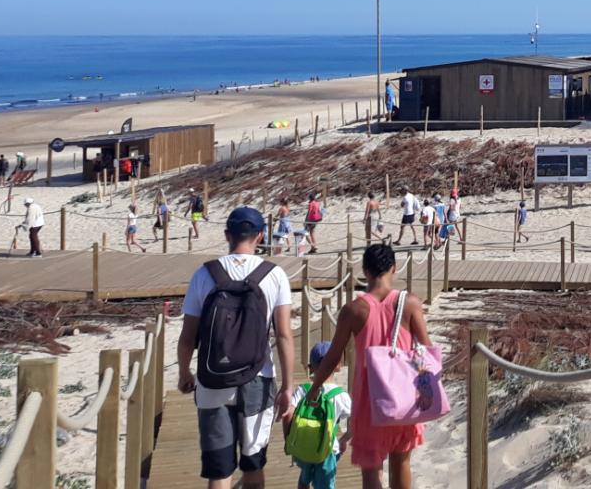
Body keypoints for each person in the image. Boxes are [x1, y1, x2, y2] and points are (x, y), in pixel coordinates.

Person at [177, 207, 296, 489]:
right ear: (260, 235)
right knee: (253, 464)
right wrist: (288, 387)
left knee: (219, 470)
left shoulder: (204, 274)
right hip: (258, 376)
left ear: (227, 235)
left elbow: (187, 336)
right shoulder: (274, 274)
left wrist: (184, 372)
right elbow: (283, 335)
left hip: (213, 378)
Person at [303, 243, 429, 489]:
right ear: (393, 268)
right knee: (401, 460)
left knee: (371, 467)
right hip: (403, 394)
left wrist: (315, 387)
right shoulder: (410, 303)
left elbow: (332, 357)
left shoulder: (353, 309)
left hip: (369, 397)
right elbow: (426, 348)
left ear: (364, 271)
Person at [286, 341, 352, 489]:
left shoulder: (303, 390)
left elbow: (289, 412)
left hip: (303, 446)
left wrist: (288, 438)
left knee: (304, 478)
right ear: (338, 366)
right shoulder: (340, 396)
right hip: (328, 450)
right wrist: (345, 438)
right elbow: (357, 420)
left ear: (310, 367)